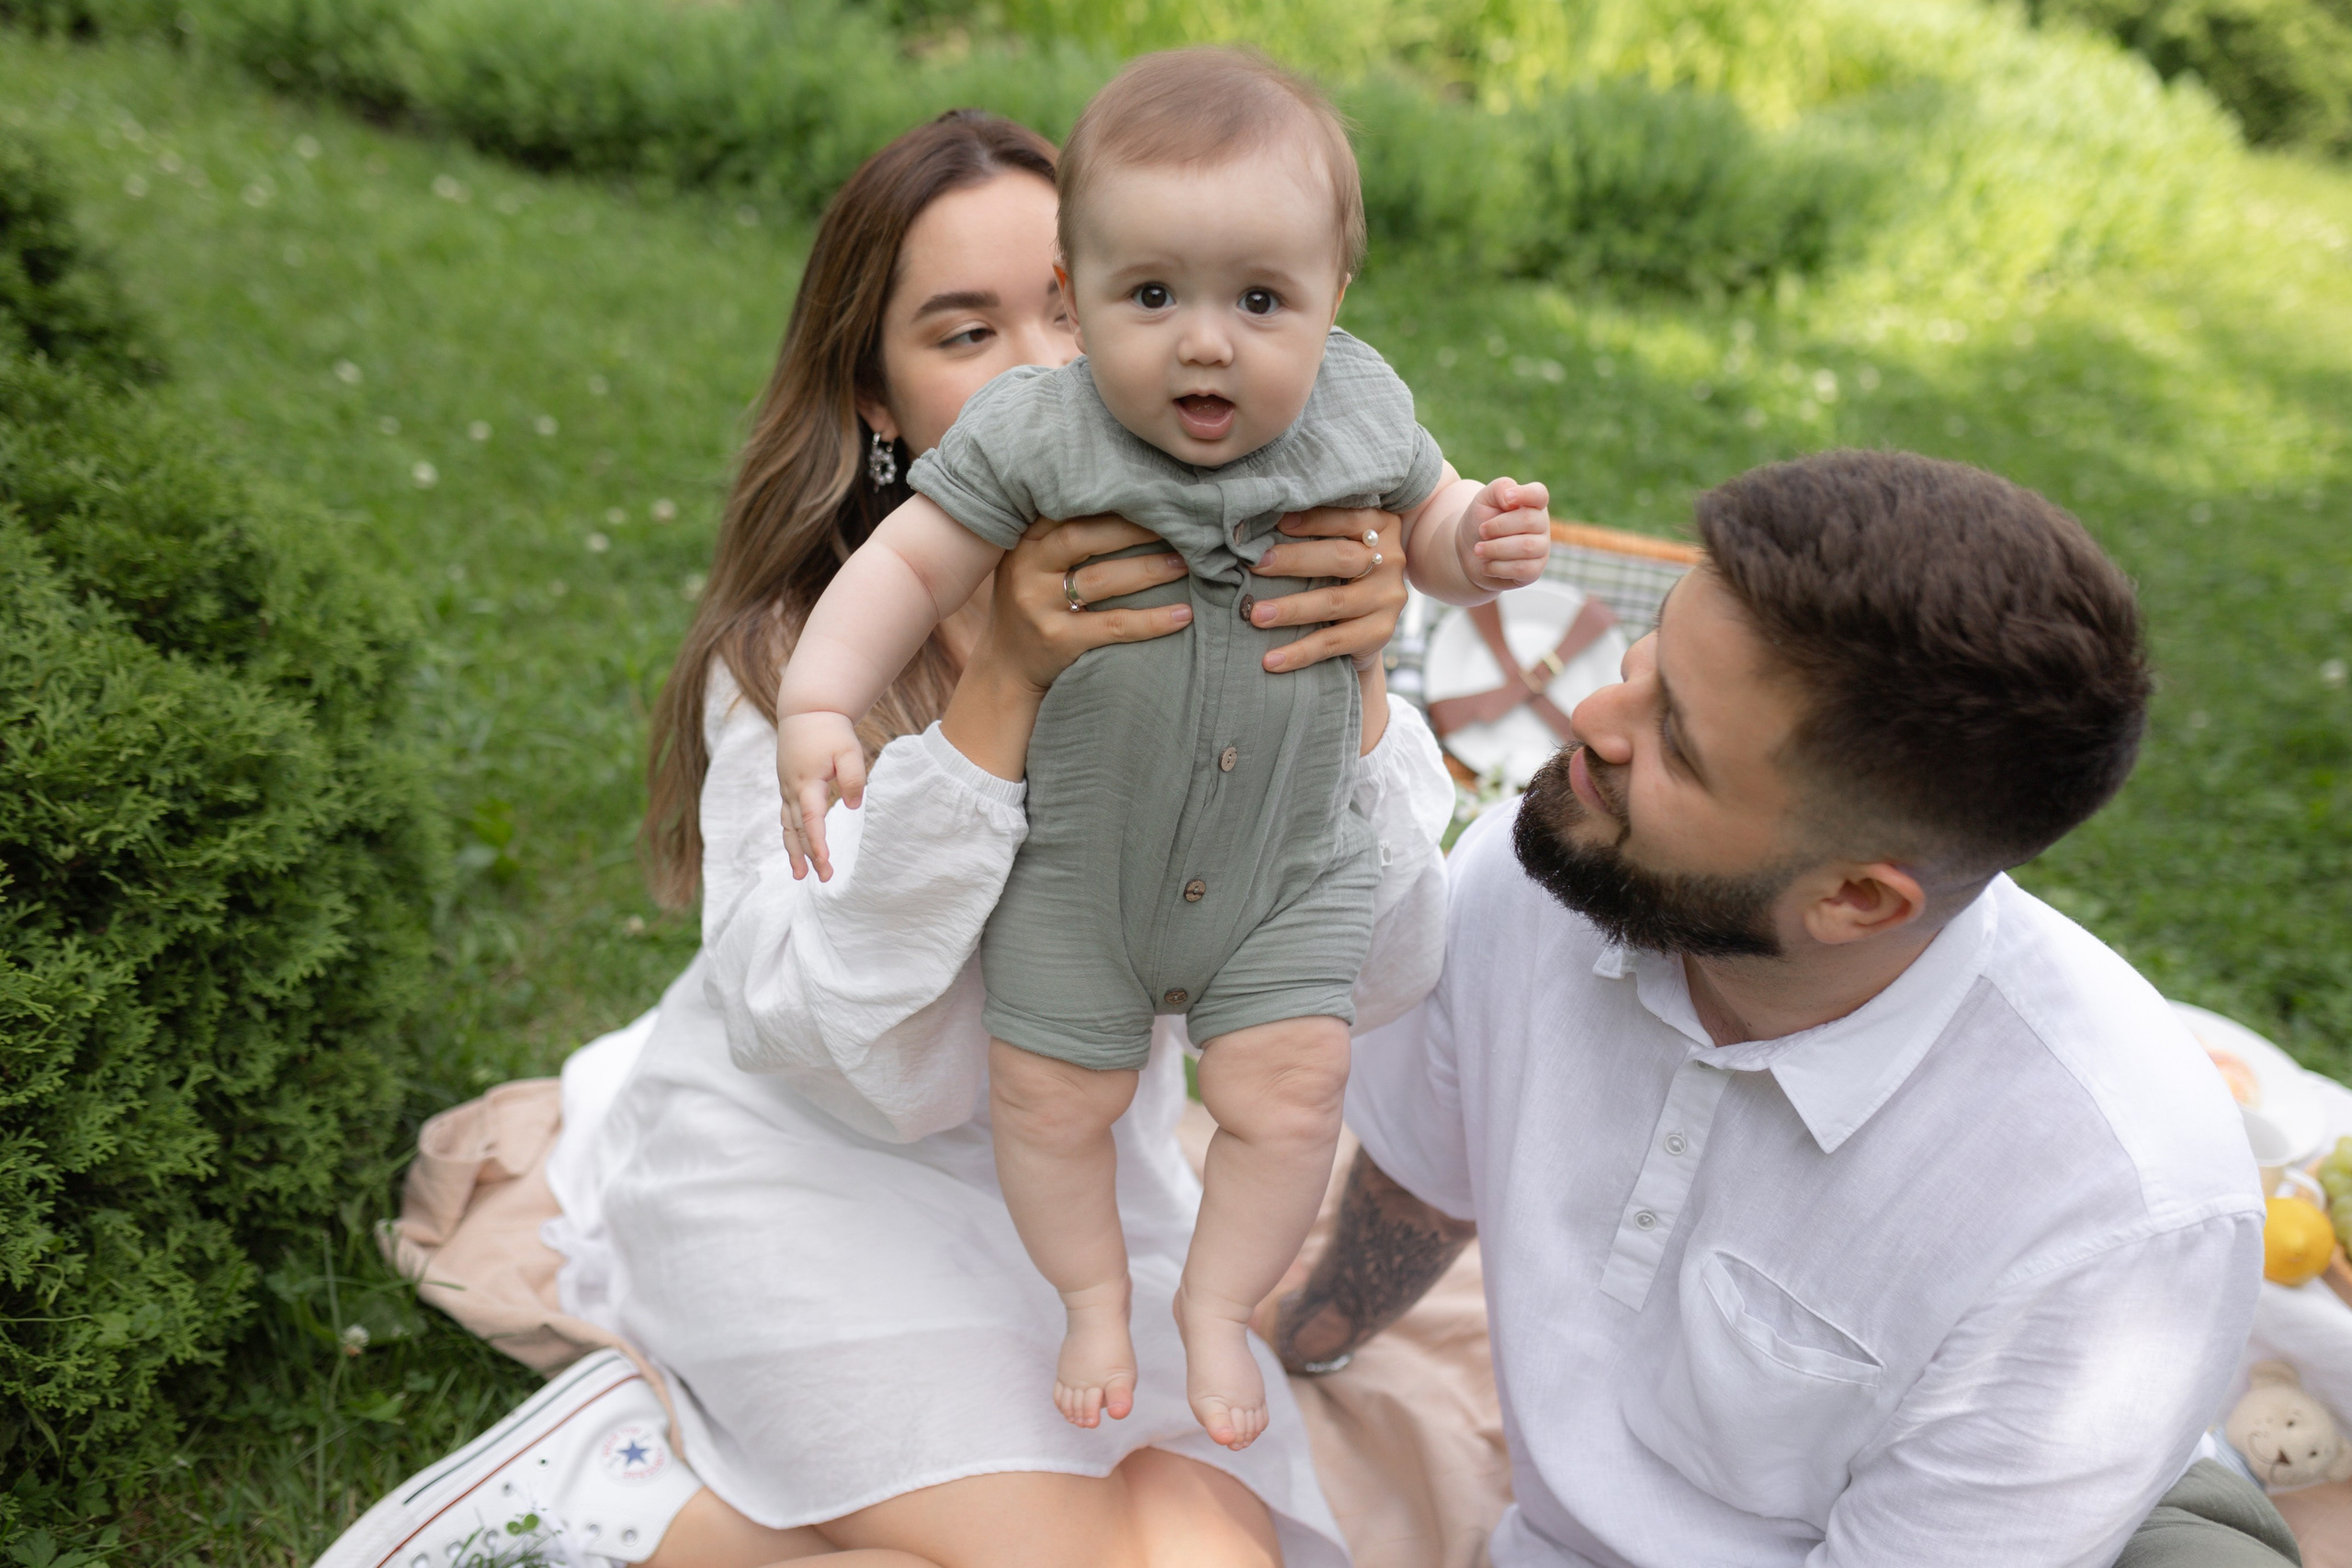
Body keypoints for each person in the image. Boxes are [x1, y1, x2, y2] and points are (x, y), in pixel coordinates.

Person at [319, 107, 1457, 1568]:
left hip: (1077, 1192)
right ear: (879, 401)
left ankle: (705, 1523)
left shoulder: (1259, 588)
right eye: (966, 331)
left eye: (1072, 306)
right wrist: (1003, 687)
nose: (1042, 368)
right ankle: (615, 1498)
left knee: (1209, 1544)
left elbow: (1383, 973)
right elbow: (868, 1063)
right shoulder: (801, 661)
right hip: (807, 1172)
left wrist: (1353, 678)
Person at [1261, 448, 2295, 1568]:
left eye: (1675, 743)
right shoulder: (1559, 863)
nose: (1593, 715)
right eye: (1646, 658)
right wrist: (1307, 1344)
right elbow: (1423, 1175)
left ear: (1856, 901)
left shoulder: (2113, 1228)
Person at [774, 49, 1550, 1452]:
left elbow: (1428, 519)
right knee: (1051, 1098)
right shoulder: (1037, 438)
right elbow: (905, 564)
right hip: (1082, 880)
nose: (1205, 344)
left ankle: (1215, 1299)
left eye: (1259, 300)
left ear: (1334, 297)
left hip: (1286, 867)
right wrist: (821, 703)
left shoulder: (1361, 413)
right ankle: (1091, 1295)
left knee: (1292, 1092)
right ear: (1085, 297)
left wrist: (1462, 546)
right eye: (1152, 297)